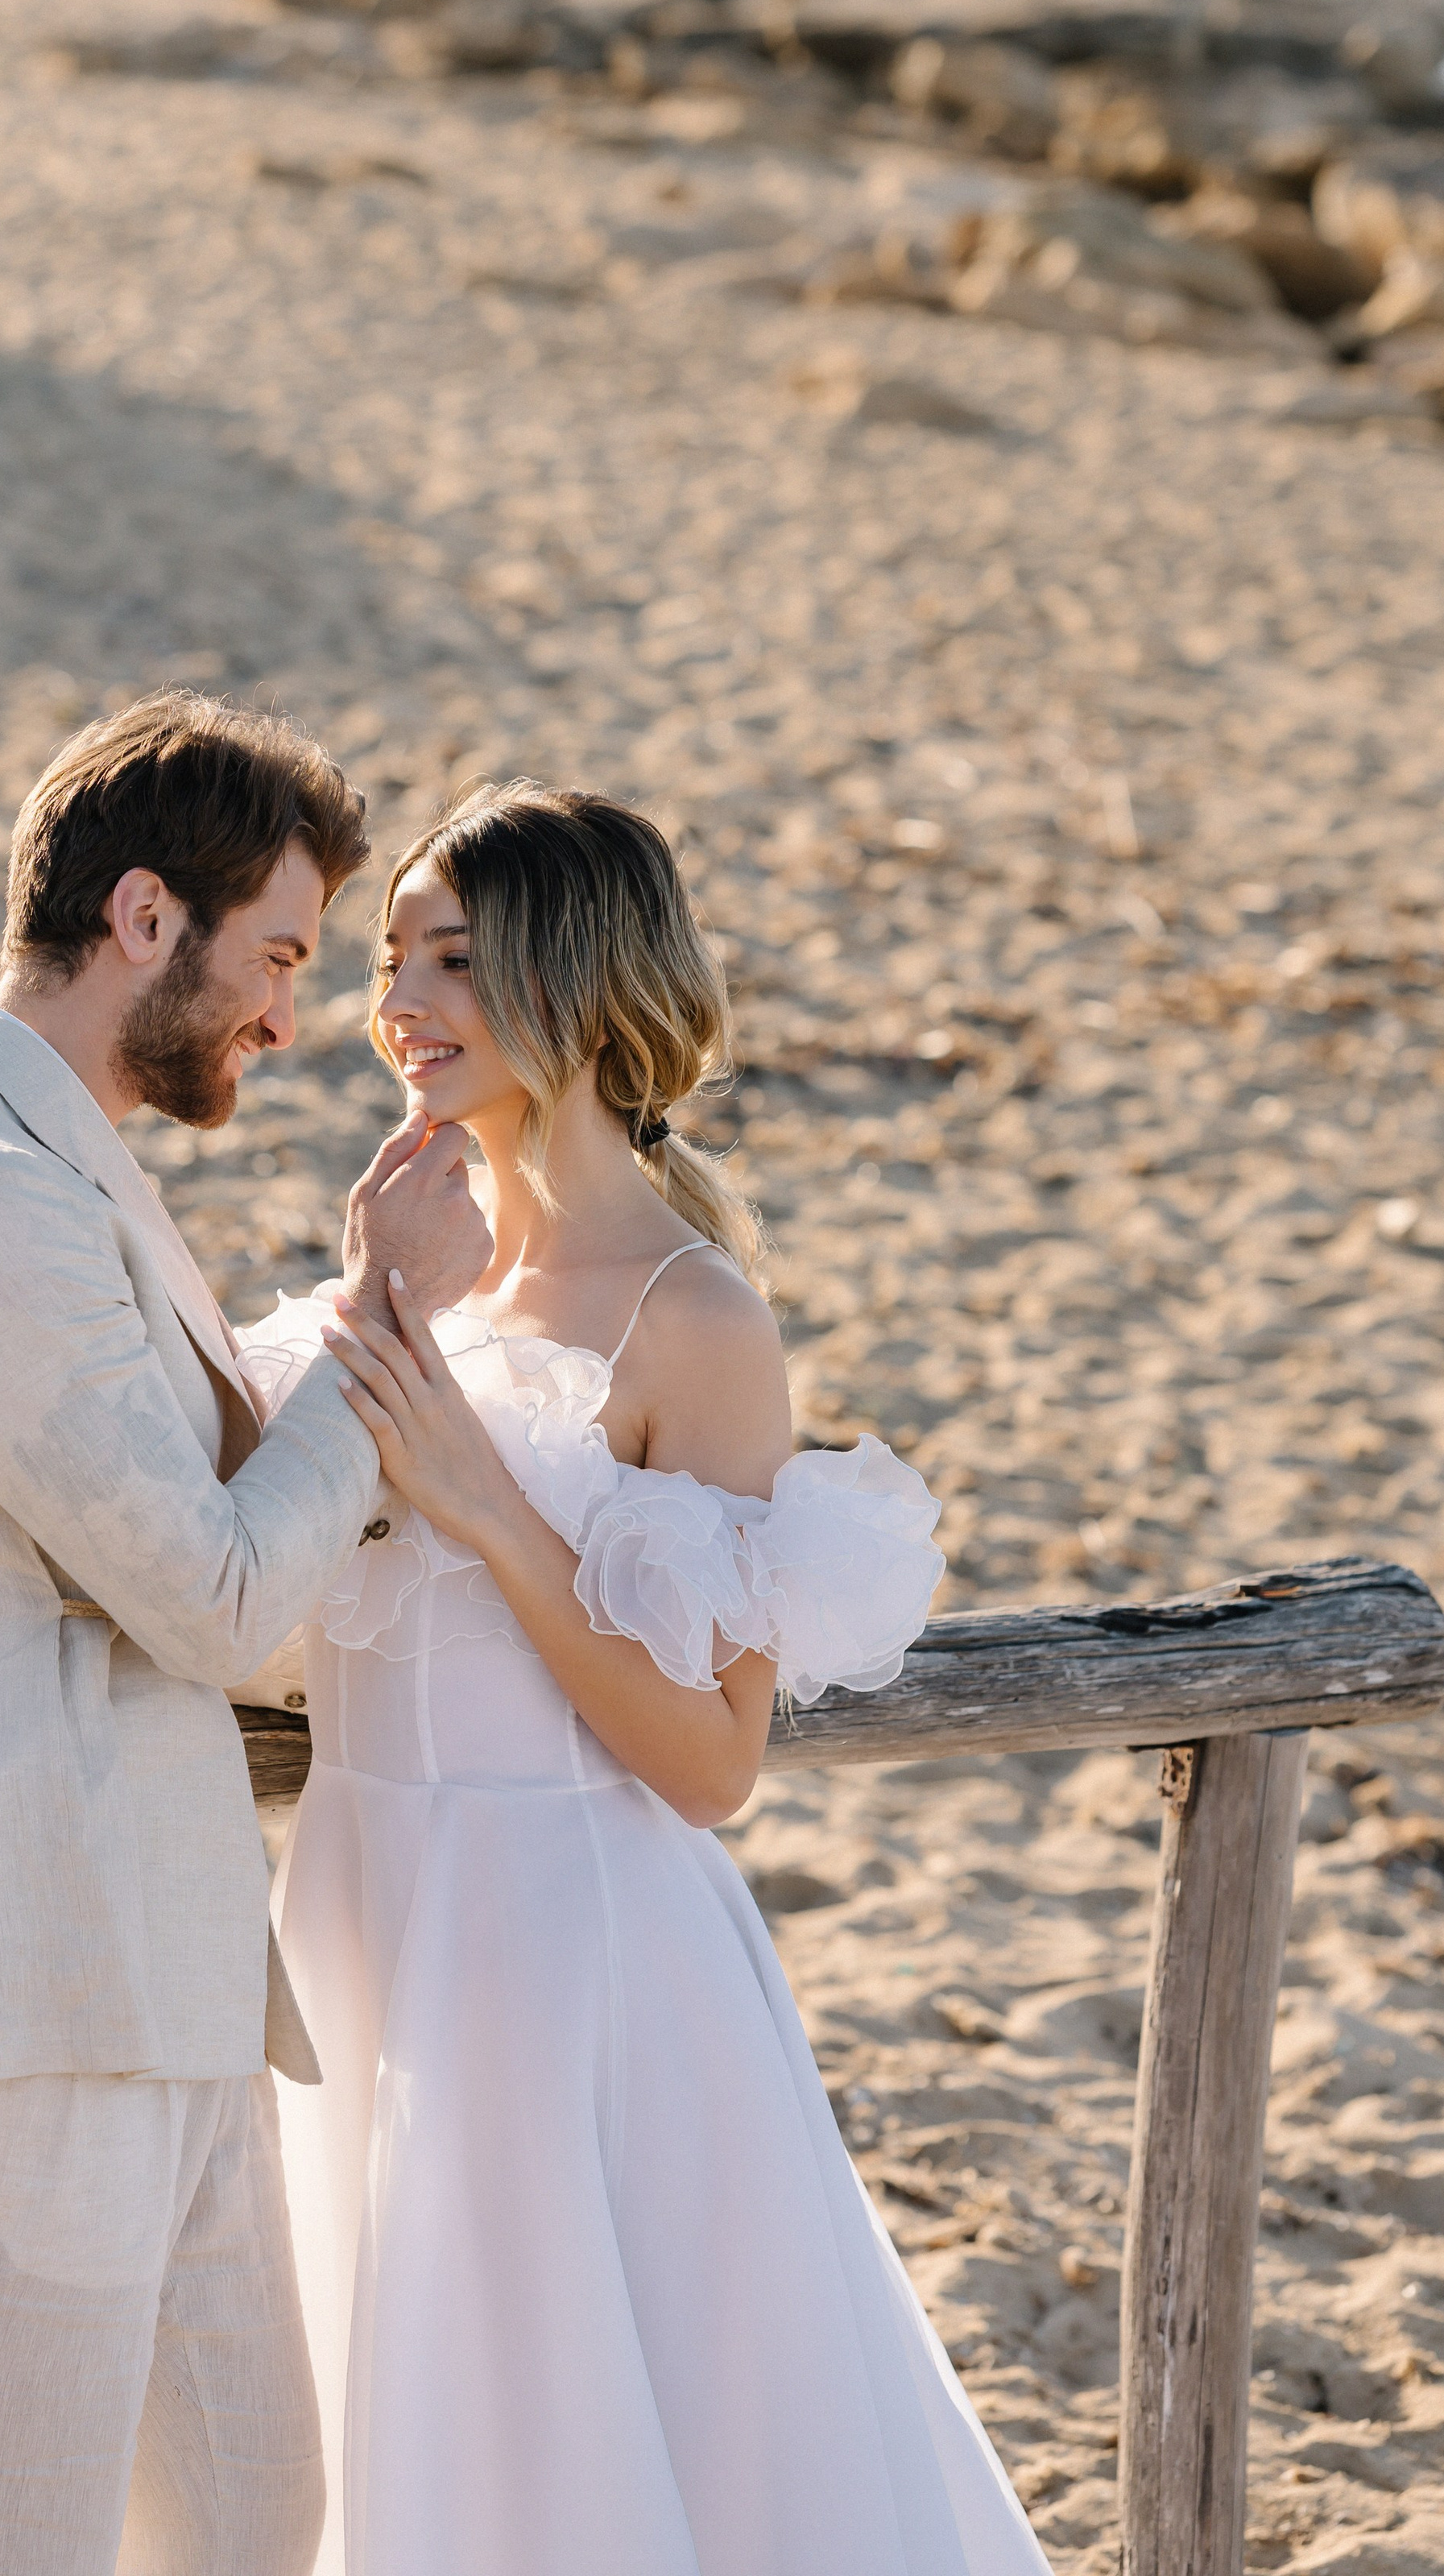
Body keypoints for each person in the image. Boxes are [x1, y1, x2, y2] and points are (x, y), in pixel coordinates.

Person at [0, 691, 489, 2576]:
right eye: (278, 956)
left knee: (247, 2525)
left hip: (151, 1972)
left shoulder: (62, 1163)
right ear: (145, 918)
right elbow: (215, 1594)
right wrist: (386, 1328)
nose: (288, 1019)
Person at [238, 782, 1052, 2576]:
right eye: (388, 957)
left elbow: (711, 1763)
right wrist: (371, 1312)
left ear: (568, 977)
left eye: (448, 957)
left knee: (564, 2442)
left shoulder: (692, 1315)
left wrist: (483, 1510)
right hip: (360, 1911)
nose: (398, 999)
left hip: (567, 1953)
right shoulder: (403, 1262)